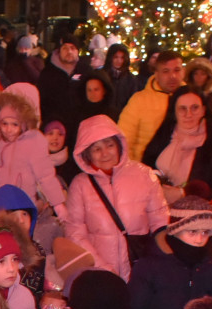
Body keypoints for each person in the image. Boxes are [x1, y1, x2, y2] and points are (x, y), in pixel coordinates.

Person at [65, 114, 169, 280]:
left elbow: (160, 221)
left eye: (110, 145)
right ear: (87, 154)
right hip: (100, 276)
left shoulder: (144, 175)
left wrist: (155, 262)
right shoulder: (79, 185)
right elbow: (75, 233)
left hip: (141, 271)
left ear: (119, 145)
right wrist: (102, 268)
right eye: (96, 149)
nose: (105, 153)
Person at [0, 88, 68, 222]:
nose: (8, 129)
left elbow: (45, 175)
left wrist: (58, 204)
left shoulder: (33, 141)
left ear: (23, 123)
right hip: (3, 200)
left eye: (14, 124)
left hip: (24, 202)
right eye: (4, 124)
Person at [144, 86, 212, 204]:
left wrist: (183, 194)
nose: (188, 114)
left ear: (203, 110)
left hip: (194, 210)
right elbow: (145, 170)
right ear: (174, 112)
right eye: (182, 109)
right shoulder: (162, 136)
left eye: (195, 108)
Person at [118, 50, 185, 161]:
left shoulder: (192, 100)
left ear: (183, 72)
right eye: (166, 71)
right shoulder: (139, 101)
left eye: (177, 70)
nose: (172, 76)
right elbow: (124, 141)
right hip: (145, 167)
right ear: (157, 74)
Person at [0, 185, 48, 301]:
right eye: (13, 215)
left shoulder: (37, 251)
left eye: (24, 214)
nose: (21, 220)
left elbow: (38, 291)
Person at [37, 34, 91, 145]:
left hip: (81, 129)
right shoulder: (47, 73)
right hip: (56, 130)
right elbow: (42, 102)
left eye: (72, 48)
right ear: (58, 51)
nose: (69, 51)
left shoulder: (86, 71)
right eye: (65, 48)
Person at [102, 43, 139, 119]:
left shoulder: (131, 79)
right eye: (116, 57)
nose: (119, 61)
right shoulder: (103, 75)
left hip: (124, 119)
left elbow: (133, 102)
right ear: (110, 58)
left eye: (122, 58)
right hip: (104, 118)